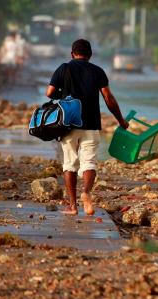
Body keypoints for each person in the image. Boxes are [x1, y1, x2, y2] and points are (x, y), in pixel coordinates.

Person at [45, 39, 129, 216]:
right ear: (90, 55)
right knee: (89, 162)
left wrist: (66, 93)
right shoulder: (97, 71)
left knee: (70, 164)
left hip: (68, 124)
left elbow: (49, 93)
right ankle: (86, 193)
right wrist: (121, 120)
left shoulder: (64, 68)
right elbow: (109, 99)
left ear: (72, 53)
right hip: (91, 124)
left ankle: (73, 206)